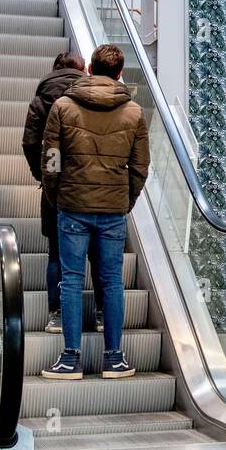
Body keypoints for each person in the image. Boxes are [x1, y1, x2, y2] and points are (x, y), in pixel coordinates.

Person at [40, 44, 149, 380]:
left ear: (89, 69)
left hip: (72, 207)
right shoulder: (134, 113)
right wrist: (125, 199)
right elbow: (140, 166)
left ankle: (70, 359)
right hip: (112, 210)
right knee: (112, 282)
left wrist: (57, 194)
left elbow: (51, 159)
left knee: (71, 281)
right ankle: (113, 359)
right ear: (119, 73)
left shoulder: (62, 107)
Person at [22, 52, 104, 335]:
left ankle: (56, 314)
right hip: (94, 185)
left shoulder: (41, 99)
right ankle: (103, 312)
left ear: (54, 69)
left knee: (57, 253)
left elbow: (31, 143)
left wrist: (44, 176)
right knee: (96, 251)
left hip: (56, 188)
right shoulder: (94, 98)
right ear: (84, 70)